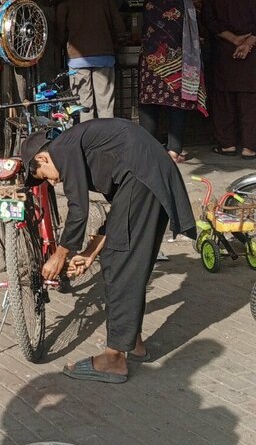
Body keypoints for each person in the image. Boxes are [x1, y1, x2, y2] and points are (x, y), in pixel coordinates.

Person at [21, 120, 195, 383]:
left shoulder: (62, 147)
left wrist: (61, 253)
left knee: (118, 262)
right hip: (147, 176)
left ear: (43, 157)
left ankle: (113, 358)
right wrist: (90, 253)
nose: (53, 182)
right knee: (132, 260)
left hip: (144, 177)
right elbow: (117, 213)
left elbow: (79, 208)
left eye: (45, 176)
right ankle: (132, 341)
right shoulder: (83, 150)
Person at [138, 0, 207, 162]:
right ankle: (174, 151)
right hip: (178, 62)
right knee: (177, 105)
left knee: (149, 105)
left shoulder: (150, 2)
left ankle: (148, 151)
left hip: (151, 64)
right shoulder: (186, 4)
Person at [202, 0, 256, 158]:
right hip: (252, 56)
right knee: (250, 102)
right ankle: (250, 147)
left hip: (224, 55)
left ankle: (227, 145)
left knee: (223, 100)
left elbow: (208, 20)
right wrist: (249, 41)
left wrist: (233, 39)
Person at [55, 0, 125, 119]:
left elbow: (60, 35)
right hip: (104, 57)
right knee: (105, 107)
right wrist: (115, 44)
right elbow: (120, 29)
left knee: (84, 108)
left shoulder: (66, 2)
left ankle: (88, 140)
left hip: (77, 60)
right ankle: (106, 140)